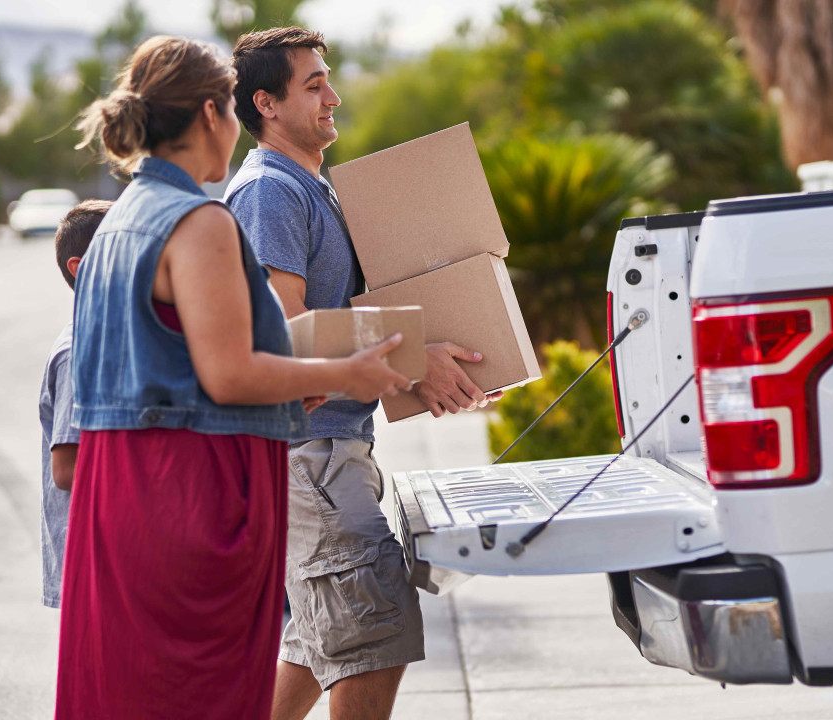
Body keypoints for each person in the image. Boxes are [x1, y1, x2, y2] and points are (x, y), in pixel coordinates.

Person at [56, 35, 412, 720]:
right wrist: (350, 370)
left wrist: (293, 385)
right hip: (188, 495)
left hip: (119, 493)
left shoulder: (118, 221)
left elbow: (171, 369)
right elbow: (228, 374)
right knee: (204, 696)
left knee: (133, 694)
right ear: (212, 114)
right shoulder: (198, 221)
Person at [226, 27, 500, 720]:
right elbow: (286, 333)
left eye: (329, 81)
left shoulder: (312, 189)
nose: (334, 98)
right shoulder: (268, 193)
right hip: (307, 454)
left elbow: (342, 316)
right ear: (266, 104)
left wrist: (446, 366)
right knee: (375, 634)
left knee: (319, 642)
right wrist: (414, 359)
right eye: (314, 85)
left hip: (330, 449)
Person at [37, 199, 111, 610]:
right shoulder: (81, 350)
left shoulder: (112, 337)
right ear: (81, 269)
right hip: (93, 557)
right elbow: (67, 469)